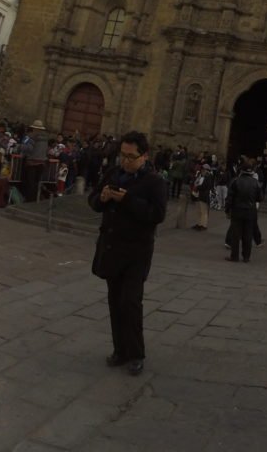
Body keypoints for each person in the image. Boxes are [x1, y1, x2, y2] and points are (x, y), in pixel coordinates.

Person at [88, 131, 168, 376]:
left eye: (130, 157)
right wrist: (101, 198)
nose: (125, 161)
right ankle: (120, 350)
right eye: (122, 155)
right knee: (114, 300)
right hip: (112, 248)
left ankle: (136, 354)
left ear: (144, 156)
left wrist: (127, 199)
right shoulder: (113, 174)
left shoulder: (154, 181)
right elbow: (93, 201)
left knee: (130, 302)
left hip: (137, 252)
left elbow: (158, 214)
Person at [225, 161, 261, 263]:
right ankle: (246, 257)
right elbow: (260, 198)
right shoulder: (256, 183)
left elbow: (229, 198)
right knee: (248, 235)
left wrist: (227, 210)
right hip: (250, 212)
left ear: (241, 170)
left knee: (236, 235)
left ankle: (234, 256)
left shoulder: (235, 181)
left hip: (237, 211)